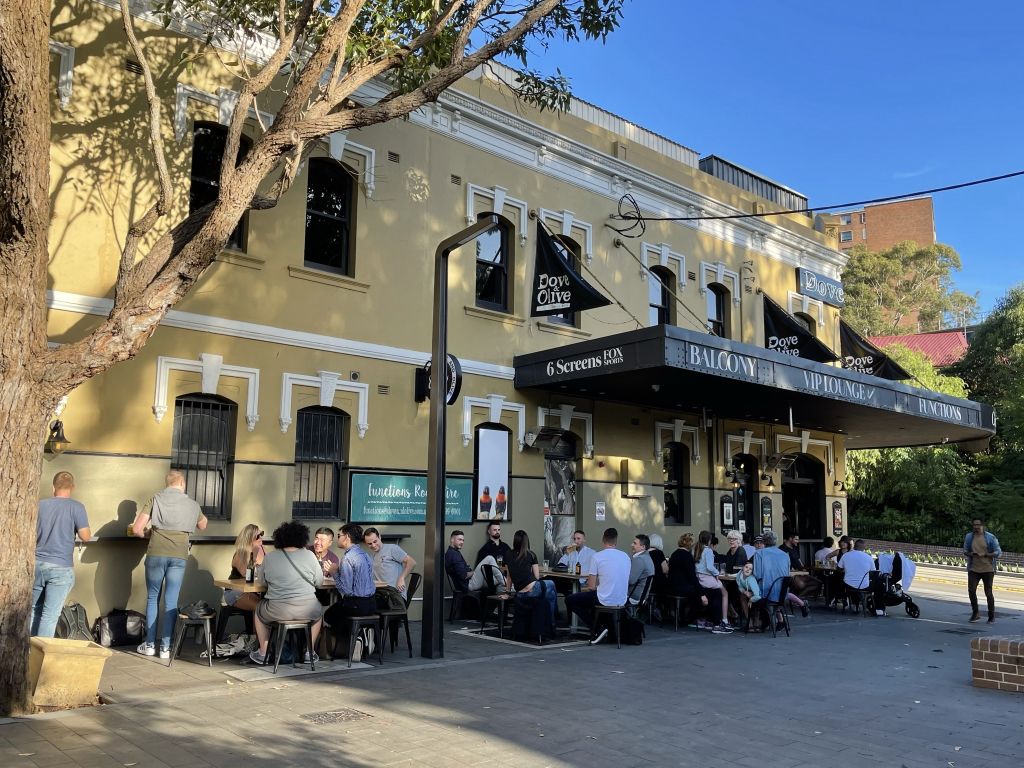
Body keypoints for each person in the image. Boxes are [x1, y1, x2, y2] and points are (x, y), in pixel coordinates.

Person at [132, 470, 207, 659]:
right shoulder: (192, 504)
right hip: (179, 556)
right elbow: (203, 524)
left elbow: (136, 529)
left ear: (167, 483)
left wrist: (149, 534)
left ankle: (150, 645)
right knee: (171, 601)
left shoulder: (155, 499)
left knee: (152, 598)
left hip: (156, 553)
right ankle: (166, 648)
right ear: (182, 483)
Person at [248, 521, 324, 665]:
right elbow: (319, 582)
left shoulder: (270, 557)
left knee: (258, 610)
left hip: (278, 610)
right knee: (318, 614)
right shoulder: (309, 555)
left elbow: (262, 583)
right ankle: (309, 651)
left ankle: (263, 652)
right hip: (307, 609)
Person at [32, 471, 91, 638]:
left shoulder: (40, 505)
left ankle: (27, 653)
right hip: (61, 567)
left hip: (37, 564)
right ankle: (40, 658)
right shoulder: (77, 507)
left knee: (34, 611)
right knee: (49, 616)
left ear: (53, 488)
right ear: (72, 487)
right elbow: (85, 536)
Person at [565, 527, 630, 643]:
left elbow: (590, 586)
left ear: (603, 540)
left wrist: (598, 588)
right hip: (622, 599)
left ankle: (596, 628)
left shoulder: (597, 556)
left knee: (570, 600)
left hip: (604, 599)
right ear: (616, 541)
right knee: (591, 598)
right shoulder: (626, 557)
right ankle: (601, 625)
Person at [323, 523, 377, 662]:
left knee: (329, 615)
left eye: (339, 536)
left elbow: (346, 590)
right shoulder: (365, 555)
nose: (337, 539)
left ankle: (354, 639)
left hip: (356, 605)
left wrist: (334, 573)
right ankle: (362, 632)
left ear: (347, 537)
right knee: (340, 611)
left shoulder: (347, 558)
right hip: (371, 603)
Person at [506, 529, 556, 628]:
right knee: (551, 585)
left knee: (550, 592)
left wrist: (507, 592)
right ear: (526, 541)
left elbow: (509, 576)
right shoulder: (531, 554)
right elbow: (536, 577)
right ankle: (551, 623)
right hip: (532, 590)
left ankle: (544, 621)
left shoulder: (508, 554)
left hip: (519, 593)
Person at [963, 517, 1002, 623]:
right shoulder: (969, 537)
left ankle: (991, 615)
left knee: (988, 592)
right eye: (974, 525)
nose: (976, 527)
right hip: (974, 568)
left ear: (982, 525)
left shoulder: (990, 537)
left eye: (978, 525)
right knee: (971, 590)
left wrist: (987, 554)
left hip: (988, 569)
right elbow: (965, 550)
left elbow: (998, 552)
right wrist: (971, 554)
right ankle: (975, 613)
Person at [694, 530, 732, 633]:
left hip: (699, 578)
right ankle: (724, 619)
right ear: (709, 540)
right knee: (725, 593)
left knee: (716, 594)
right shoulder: (708, 551)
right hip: (707, 577)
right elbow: (710, 567)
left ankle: (712, 620)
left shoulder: (696, 549)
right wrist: (717, 573)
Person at [752, 530, 791, 629]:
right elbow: (788, 573)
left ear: (764, 542)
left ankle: (755, 622)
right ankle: (776, 620)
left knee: (744, 594)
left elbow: (757, 575)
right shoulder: (785, 555)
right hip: (783, 594)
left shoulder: (759, 553)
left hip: (766, 594)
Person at [222, 524, 266, 613]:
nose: (261, 537)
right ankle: (256, 627)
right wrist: (254, 556)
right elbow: (245, 574)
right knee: (259, 608)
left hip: (256, 591)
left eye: (262, 534)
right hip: (236, 592)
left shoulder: (263, 551)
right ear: (249, 538)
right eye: (258, 536)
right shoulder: (240, 554)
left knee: (270, 606)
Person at [838, 539, 885, 615]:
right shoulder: (868, 557)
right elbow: (873, 573)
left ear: (854, 546)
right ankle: (879, 609)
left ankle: (854, 605)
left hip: (848, 585)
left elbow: (839, 568)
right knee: (880, 585)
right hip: (864, 586)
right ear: (864, 547)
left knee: (849, 583)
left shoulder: (845, 555)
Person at [363, 527, 415, 595]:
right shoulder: (371, 556)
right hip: (381, 593)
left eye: (375, 541)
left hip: (395, 595)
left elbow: (412, 562)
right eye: (369, 544)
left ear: (380, 537)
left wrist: (401, 578)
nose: (373, 545)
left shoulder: (392, 549)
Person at [667, 533, 703, 627]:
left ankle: (679, 614)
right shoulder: (687, 556)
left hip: (671, 587)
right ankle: (691, 618)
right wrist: (702, 593)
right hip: (682, 588)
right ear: (690, 543)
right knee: (702, 592)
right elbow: (692, 576)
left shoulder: (674, 554)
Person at [780, 533, 820, 607]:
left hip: (799, 572)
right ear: (790, 539)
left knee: (817, 583)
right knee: (801, 585)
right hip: (788, 574)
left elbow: (799, 561)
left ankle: (797, 598)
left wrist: (803, 569)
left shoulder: (794, 549)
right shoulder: (782, 549)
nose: (797, 541)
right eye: (796, 539)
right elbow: (782, 565)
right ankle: (797, 600)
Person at [646, 533, 669, 621]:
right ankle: (664, 613)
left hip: (647, 584)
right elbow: (665, 570)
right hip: (658, 583)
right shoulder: (659, 553)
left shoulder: (644, 554)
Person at [628, 534, 655, 605]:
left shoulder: (639, 559)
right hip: (642, 596)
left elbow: (630, 580)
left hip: (633, 597)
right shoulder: (647, 557)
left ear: (643, 547)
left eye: (635, 543)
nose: (631, 545)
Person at [734, 561, 762, 631]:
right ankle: (749, 620)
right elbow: (739, 586)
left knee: (750, 599)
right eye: (746, 567)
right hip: (748, 592)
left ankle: (755, 621)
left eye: (750, 569)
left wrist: (751, 599)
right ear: (742, 568)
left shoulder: (751, 580)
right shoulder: (739, 575)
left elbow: (758, 596)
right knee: (742, 596)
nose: (748, 569)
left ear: (752, 572)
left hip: (759, 595)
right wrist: (744, 591)